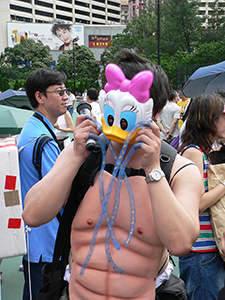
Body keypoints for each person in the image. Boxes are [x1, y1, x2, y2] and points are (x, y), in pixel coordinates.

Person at [22, 50, 201, 300]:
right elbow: (32, 215)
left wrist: (153, 171)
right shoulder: (82, 155)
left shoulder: (179, 170)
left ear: (155, 111)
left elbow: (181, 243)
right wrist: (75, 156)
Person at [18, 68, 69, 300]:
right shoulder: (43, 141)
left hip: (37, 242)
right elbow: (61, 192)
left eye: (65, 90)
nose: (66, 96)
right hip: (47, 243)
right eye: (59, 91)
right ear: (40, 97)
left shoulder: (33, 130)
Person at [178, 94, 225, 300]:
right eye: (222, 115)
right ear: (208, 119)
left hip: (207, 251)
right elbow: (195, 203)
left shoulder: (202, 152)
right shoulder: (193, 153)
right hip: (201, 252)